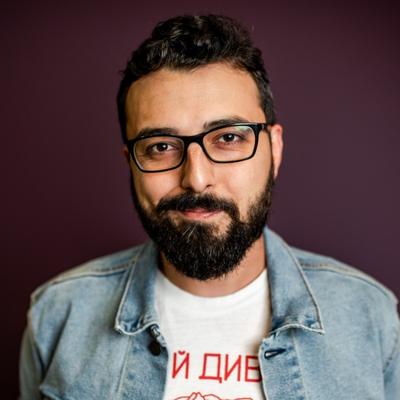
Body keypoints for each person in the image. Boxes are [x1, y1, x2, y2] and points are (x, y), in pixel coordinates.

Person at [19, 14, 399, 400]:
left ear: (275, 150)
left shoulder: (370, 315)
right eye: (161, 147)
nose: (197, 179)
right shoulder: (58, 314)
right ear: (131, 163)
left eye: (228, 138)